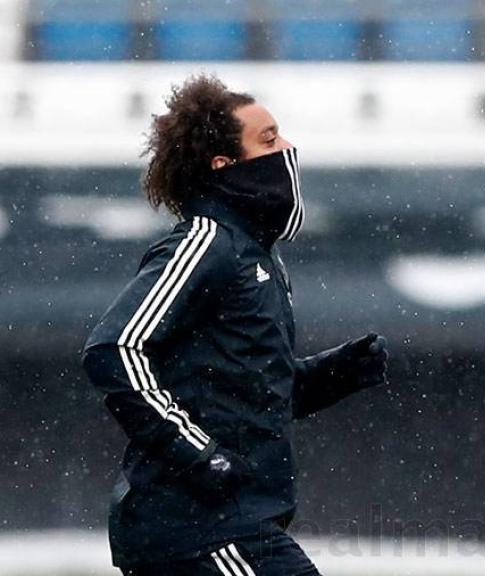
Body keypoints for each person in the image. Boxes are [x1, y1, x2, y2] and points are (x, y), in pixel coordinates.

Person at [82, 75, 389, 576]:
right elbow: (113, 350)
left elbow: (249, 398)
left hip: (232, 521)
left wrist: (335, 373)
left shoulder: (258, 257)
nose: (288, 149)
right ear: (224, 166)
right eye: (268, 140)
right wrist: (199, 455)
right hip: (198, 527)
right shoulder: (207, 243)